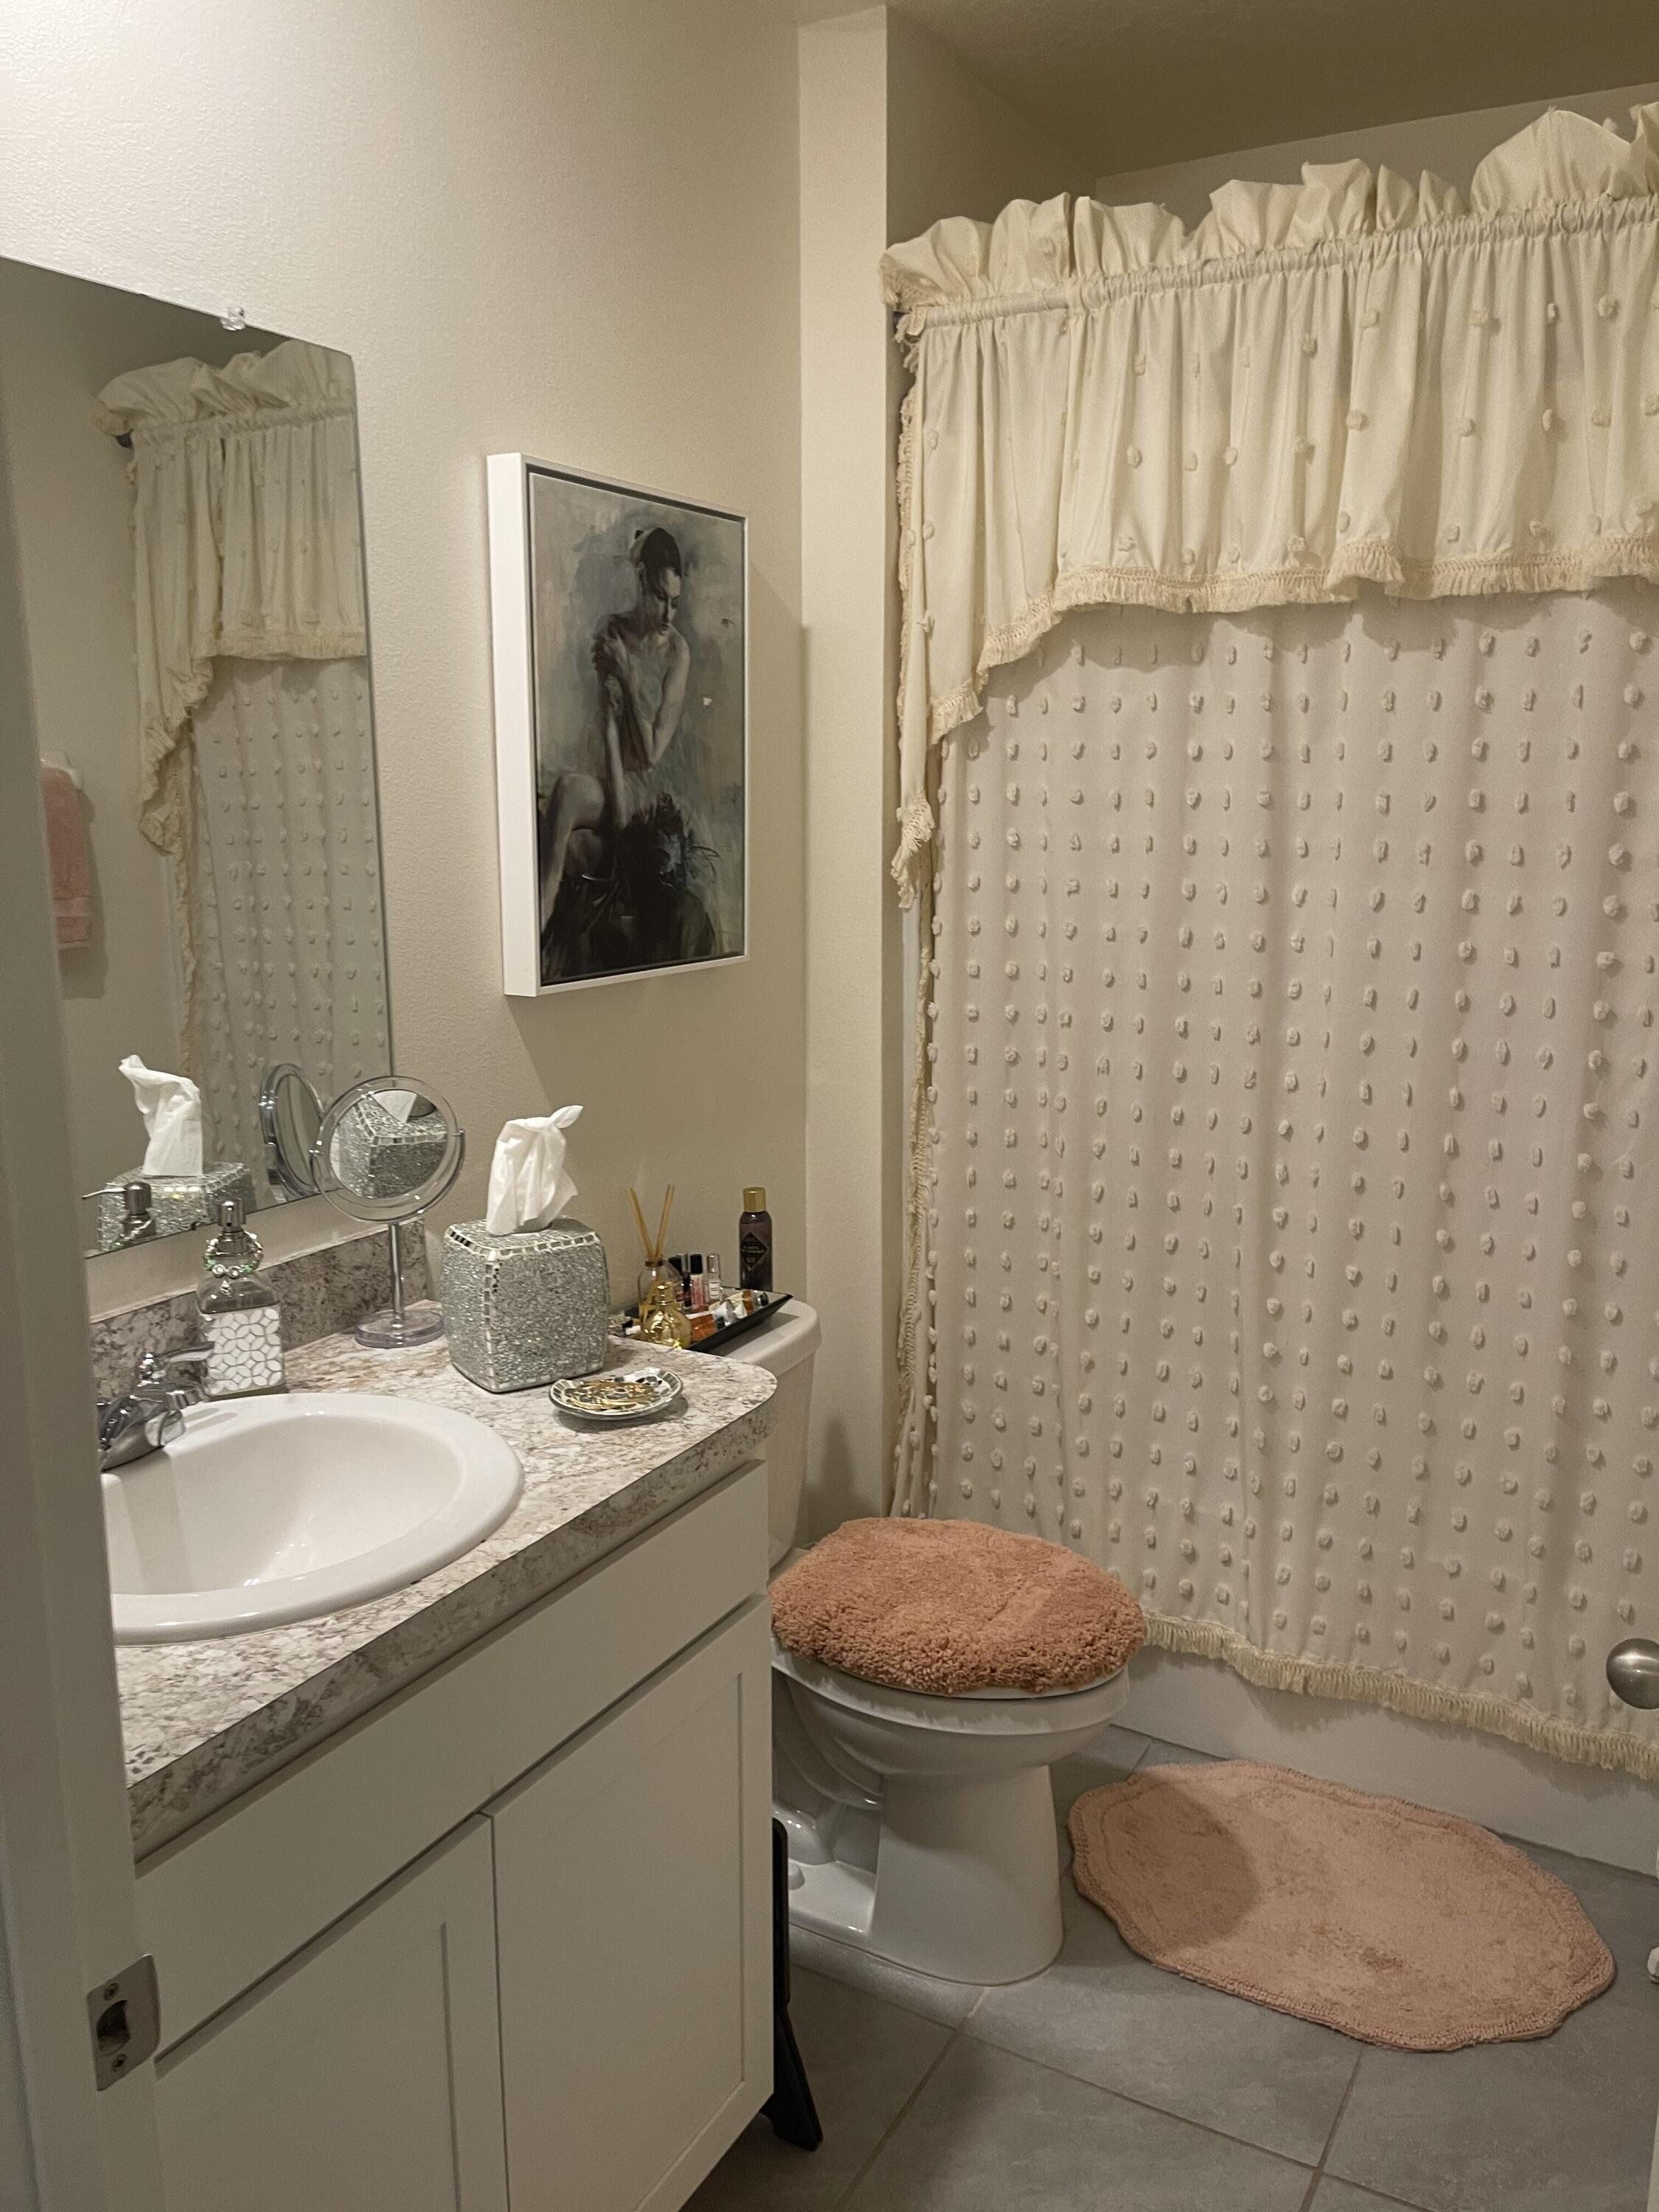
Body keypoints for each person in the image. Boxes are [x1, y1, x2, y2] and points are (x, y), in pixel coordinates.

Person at [538, 525, 692, 936]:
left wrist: (629, 676)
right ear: (641, 580)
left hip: (650, 795)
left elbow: (651, 754)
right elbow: (607, 725)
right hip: (611, 781)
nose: (668, 615)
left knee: (574, 843)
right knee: (566, 792)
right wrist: (617, 805)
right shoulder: (613, 631)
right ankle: (540, 915)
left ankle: (551, 912)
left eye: (675, 603)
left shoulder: (678, 653)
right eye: (660, 598)